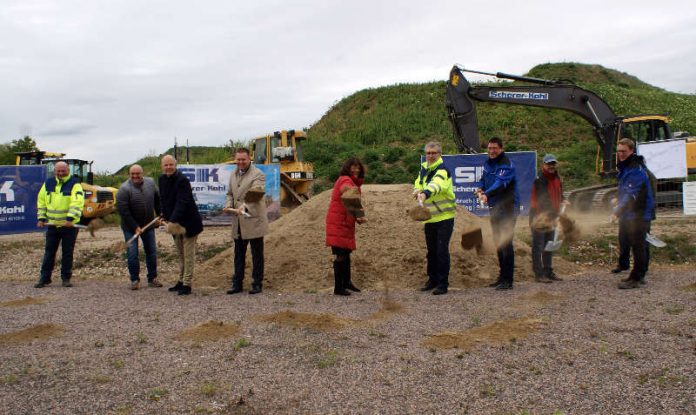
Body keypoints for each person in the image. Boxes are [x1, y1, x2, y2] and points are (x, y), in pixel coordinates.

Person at [223, 148, 269, 295]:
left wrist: (245, 206)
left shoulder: (258, 174)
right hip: (238, 222)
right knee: (238, 253)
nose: (241, 162)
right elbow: (230, 193)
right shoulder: (233, 174)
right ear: (235, 160)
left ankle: (257, 283)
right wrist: (228, 204)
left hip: (253, 219)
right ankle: (237, 283)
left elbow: (256, 193)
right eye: (238, 160)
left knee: (257, 254)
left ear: (249, 159)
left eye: (243, 159)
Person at [413, 142, 457, 295]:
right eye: (428, 153)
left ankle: (442, 283)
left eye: (434, 153)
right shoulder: (424, 168)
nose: (430, 156)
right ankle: (432, 280)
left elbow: (436, 185)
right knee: (431, 251)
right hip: (430, 217)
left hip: (445, 217)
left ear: (439, 155)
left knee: (441, 250)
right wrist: (417, 190)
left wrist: (425, 193)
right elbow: (418, 181)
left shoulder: (442, 170)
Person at [476, 137, 519, 290]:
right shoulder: (488, 163)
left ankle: (508, 280)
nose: (492, 151)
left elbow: (500, 184)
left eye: (495, 148)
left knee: (506, 243)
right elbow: (483, 179)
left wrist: (486, 194)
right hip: (495, 209)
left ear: (501, 148)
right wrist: (480, 189)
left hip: (508, 209)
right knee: (498, 243)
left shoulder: (506, 164)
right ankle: (502, 277)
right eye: (490, 148)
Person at [34, 161, 85, 288]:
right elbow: (41, 201)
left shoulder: (75, 184)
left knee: (67, 252)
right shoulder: (48, 183)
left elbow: (77, 202)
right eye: (58, 171)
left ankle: (66, 278)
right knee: (49, 252)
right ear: (55, 171)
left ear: (68, 171)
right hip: (52, 225)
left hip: (69, 226)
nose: (61, 173)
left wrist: (70, 218)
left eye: (63, 171)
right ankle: (44, 278)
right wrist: (41, 218)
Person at [612, 138, 654, 289]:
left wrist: (617, 211)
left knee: (638, 246)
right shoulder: (627, 167)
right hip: (631, 213)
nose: (620, 154)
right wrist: (618, 199)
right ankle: (637, 274)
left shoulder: (635, 170)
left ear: (632, 151)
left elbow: (631, 194)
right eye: (619, 151)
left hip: (639, 214)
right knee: (635, 244)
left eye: (623, 151)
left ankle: (636, 278)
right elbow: (625, 191)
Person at [158, 155, 204, 296]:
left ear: (175, 165)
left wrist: (172, 220)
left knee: (188, 256)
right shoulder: (161, 179)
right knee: (181, 255)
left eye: (171, 164)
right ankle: (180, 280)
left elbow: (182, 202)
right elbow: (164, 200)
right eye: (166, 165)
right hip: (175, 224)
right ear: (162, 166)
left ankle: (187, 284)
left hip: (189, 223)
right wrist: (163, 215)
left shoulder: (182, 180)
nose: (168, 167)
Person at [325, 157, 368, 296]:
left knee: (346, 252)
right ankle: (339, 288)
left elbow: (350, 201)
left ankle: (347, 282)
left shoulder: (351, 181)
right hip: (339, 222)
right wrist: (360, 215)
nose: (356, 170)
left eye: (358, 167)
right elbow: (347, 192)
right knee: (341, 255)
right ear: (347, 168)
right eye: (353, 167)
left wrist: (356, 217)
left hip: (344, 221)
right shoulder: (345, 179)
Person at [117, 164, 162, 290]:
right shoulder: (124, 189)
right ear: (129, 175)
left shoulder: (151, 183)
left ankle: (152, 278)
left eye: (138, 173)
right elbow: (124, 212)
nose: (135, 176)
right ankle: (135, 280)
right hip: (129, 227)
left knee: (151, 252)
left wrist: (160, 215)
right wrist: (135, 226)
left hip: (148, 225)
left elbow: (158, 199)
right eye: (133, 174)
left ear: (142, 173)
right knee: (132, 254)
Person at [529, 154, 567, 283]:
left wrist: (564, 200)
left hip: (551, 217)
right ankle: (539, 274)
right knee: (538, 246)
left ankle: (548, 271)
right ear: (543, 165)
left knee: (549, 245)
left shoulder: (557, 178)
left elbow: (559, 193)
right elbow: (544, 201)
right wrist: (555, 216)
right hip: (539, 217)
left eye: (553, 163)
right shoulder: (540, 179)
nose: (551, 166)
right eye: (548, 164)